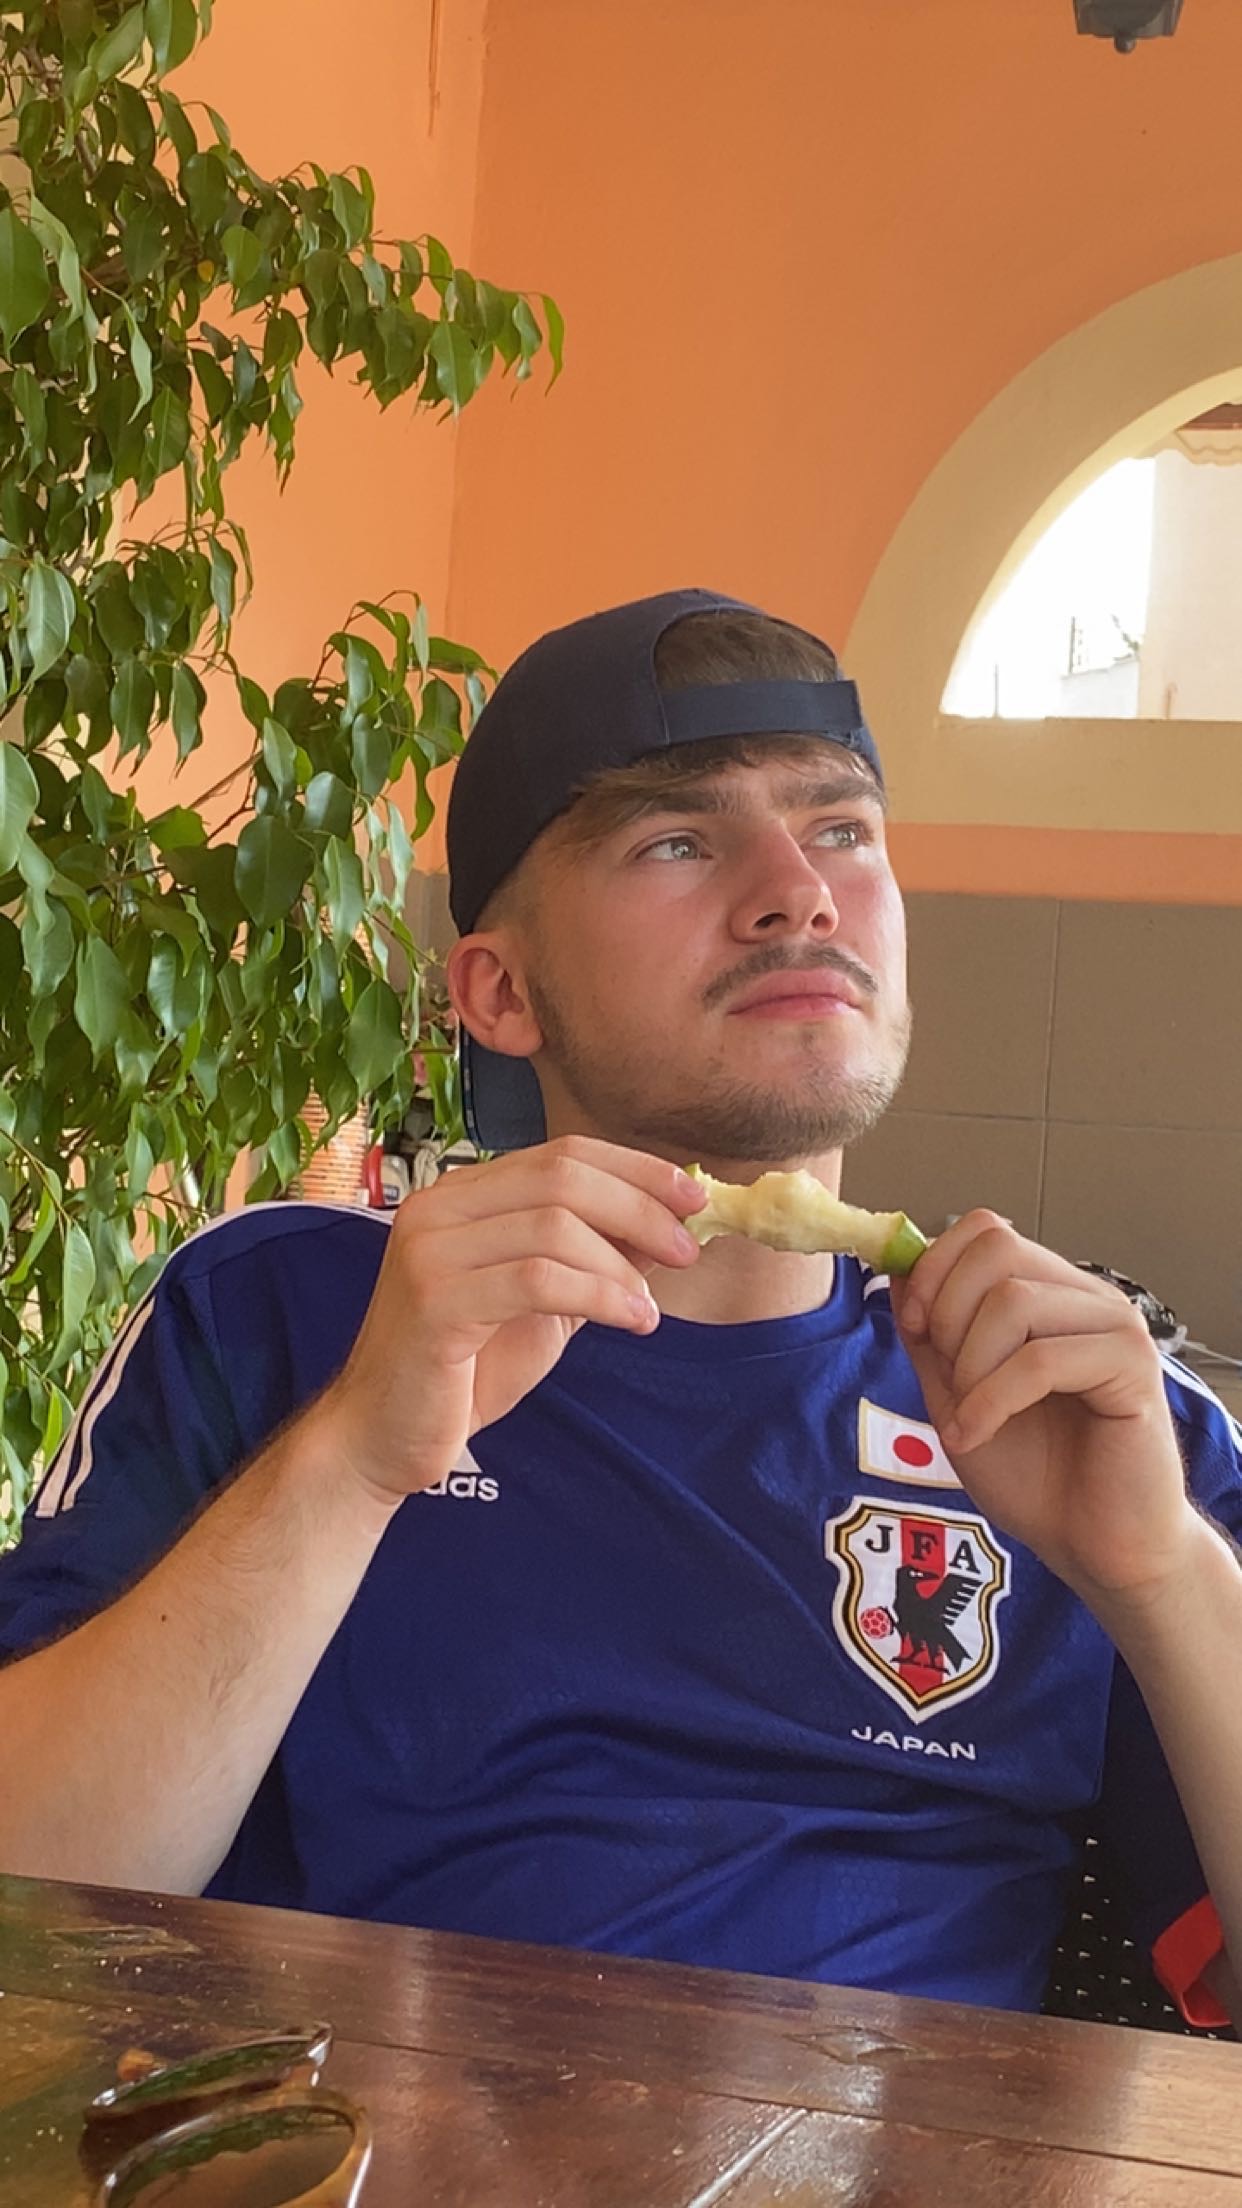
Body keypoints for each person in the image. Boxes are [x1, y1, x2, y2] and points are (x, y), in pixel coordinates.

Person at [1, 588, 1239, 2030]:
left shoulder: (1092, 1408)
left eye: (840, 828)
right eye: (677, 839)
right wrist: (349, 1462)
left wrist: (1158, 1571)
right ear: (500, 994)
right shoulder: (286, 1302)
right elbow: (33, 1892)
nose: (799, 889)